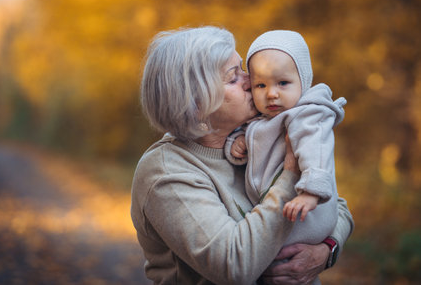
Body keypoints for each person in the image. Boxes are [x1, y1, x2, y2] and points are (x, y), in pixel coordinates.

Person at [130, 26, 354, 285]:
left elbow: (337, 206)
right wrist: (290, 174)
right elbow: (233, 267)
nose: (251, 80)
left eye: (243, 69)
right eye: (233, 77)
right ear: (196, 101)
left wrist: (327, 250)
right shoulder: (167, 171)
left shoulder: (255, 135)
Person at [224, 30, 347, 277]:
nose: (271, 93)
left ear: (303, 80)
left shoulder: (306, 115)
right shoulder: (264, 118)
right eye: (261, 85)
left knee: (283, 270)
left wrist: (311, 193)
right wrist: (235, 144)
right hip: (278, 215)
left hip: (305, 213)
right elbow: (249, 134)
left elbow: (317, 151)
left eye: (283, 83)